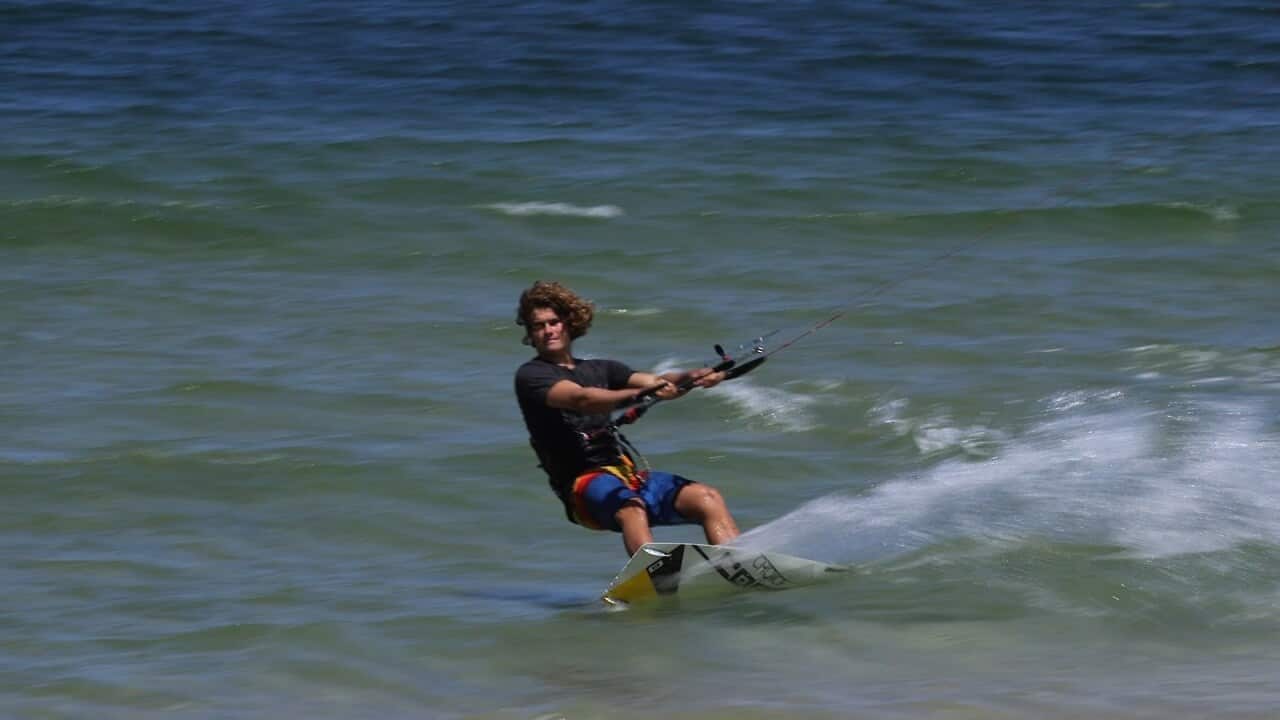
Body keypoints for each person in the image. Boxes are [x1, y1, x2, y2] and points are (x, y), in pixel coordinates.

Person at [514, 280, 741, 556]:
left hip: (625, 475)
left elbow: (657, 381)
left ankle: (737, 564)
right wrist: (640, 394)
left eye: (553, 322)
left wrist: (693, 377)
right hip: (582, 485)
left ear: (568, 323)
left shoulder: (603, 368)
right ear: (531, 333)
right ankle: (654, 574)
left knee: (707, 498)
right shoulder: (532, 376)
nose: (548, 330)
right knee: (631, 507)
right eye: (539, 326)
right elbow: (581, 399)